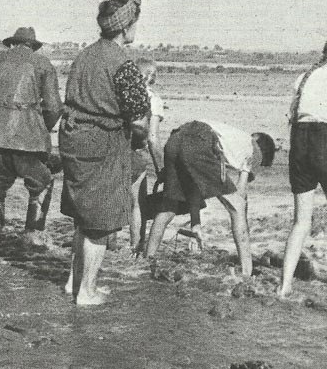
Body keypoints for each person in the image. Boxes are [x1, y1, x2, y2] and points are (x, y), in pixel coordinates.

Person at [59, 0, 149, 305]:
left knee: (83, 215)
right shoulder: (121, 63)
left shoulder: (85, 55)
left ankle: (74, 283)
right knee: (99, 220)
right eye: (135, 23)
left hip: (72, 137)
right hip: (101, 141)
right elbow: (139, 113)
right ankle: (87, 291)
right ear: (126, 28)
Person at [143, 120, 276, 277]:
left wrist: (196, 224)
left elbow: (193, 183)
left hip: (176, 138)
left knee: (168, 209)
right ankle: (247, 272)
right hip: (201, 141)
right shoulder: (255, 149)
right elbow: (240, 194)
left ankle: (146, 262)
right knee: (237, 208)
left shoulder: (231, 136)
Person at [0, 27, 62, 234]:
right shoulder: (43, 63)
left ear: (13, 43)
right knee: (41, 182)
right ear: (32, 45)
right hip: (28, 141)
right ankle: (32, 236)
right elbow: (54, 107)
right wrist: (41, 129)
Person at [280, 42, 327, 297]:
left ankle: (285, 285)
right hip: (324, 138)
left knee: (300, 222)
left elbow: (291, 116)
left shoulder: (305, 77)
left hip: (299, 143)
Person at [129, 58, 165, 252]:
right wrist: (161, 170)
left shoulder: (122, 95)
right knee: (137, 204)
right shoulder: (154, 99)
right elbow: (152, 138)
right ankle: (136, 247)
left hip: (115, 151)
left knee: (112, 199)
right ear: (152, 77)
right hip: (137, 153)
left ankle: (109, 245)